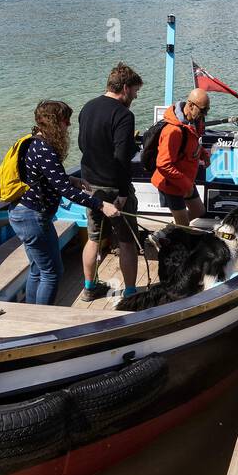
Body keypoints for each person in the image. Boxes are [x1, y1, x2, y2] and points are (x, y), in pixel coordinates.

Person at [9, 100, 120, 305]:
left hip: (23, 213)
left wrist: (74, 179)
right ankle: (43, 319)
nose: (68, 125)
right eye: (65, 120)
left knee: (37, 270)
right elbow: (65, 191)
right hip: (33, 217)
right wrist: (101, 205)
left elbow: (44, 177)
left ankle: (32, 315)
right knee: (52, 272)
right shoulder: (45, 150)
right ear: (54, 122)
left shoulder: (34, 142)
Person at [78, 63, 143, 301]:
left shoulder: (87, 108)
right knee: (126, 241)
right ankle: (130, 292)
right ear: (125, 88)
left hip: (90, 185)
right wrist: (124, 192)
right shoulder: (124, 115)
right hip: (115, 188)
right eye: (135, 91)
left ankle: (88, 287)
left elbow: (82, 146)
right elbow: (122, 157)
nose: (135, 97)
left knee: (94, 237)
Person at [153, 88, 211, 227]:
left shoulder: (190, 123)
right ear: (190, 106)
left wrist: (202, 152)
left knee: (198, 210)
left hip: (185, 181)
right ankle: (167, 239)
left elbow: (189, 143)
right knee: (183, 227)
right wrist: (186, 184)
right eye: (203, 110)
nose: (205, 114)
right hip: (171, 184)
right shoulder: (173, 130)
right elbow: (163, 164)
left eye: (207, 110)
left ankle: (165, 233)